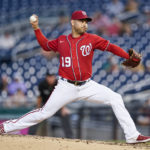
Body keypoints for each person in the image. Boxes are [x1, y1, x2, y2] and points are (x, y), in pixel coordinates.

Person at [0, 10, 150, 144]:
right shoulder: (62, 40)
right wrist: (36, 28)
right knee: (44, 113)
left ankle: (132, 135)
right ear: (73, 22)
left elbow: (111, 47)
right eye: (81, 21)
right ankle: (5, 127)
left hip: (87, 85)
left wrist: (127, 55)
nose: (84, 24)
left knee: (116, 98)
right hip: (66, 86)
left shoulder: (92, 39)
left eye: (86, 21)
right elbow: (45, 45)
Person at [28, 73, 73, 138]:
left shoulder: (59, 84)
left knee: (66, 114)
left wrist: (63, 109)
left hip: (56, 106)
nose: (50, 78)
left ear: (54, 77)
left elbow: (62, 97)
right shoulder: (42, 84)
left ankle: (70, 137)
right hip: (44, 106)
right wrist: (37, 108)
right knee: (35, 115)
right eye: (49, 77)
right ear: (46, 77)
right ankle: (30, 136)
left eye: (52, 76)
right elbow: (39, 97)